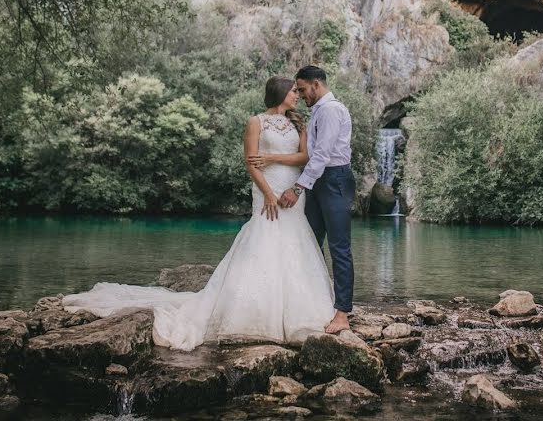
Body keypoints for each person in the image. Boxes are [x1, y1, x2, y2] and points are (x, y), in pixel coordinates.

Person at [61, 77, 335, 351]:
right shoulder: (256, 122)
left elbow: (304, 157)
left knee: (293, 239)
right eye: (292, 91)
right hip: (266, 188)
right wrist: (268, 194)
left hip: (292, 189)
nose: (296, 95)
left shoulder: (298, 123)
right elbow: (251, 163)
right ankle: (255, 312)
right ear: (279, 93)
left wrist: (275, 159)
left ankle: (300, 312)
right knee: (263, 237)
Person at [276, 65, 355, 334]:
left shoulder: (331, 110)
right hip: (319, 181)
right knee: (310, 244)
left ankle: (342, 313)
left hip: (335, 181)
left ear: (316, 84)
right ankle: (317, 304)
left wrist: (296, 189)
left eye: (301, 89)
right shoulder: (318, 111)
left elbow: (321, 155)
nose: (300, 94)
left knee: (339, 248)